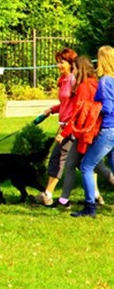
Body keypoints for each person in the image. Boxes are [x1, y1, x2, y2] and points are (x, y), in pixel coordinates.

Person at [56, 56, 114, 208]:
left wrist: (64, 133)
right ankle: (64, 200)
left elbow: (78, 113)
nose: (72, 71)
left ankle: (91, 202)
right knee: (71, 163)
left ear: (79, 69)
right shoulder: (92, 83)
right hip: (87, 132)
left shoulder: (84, 86)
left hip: (87, 133)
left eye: (74, 68)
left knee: (94, 167)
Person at [74, 45, 114, 218]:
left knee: (86, 166)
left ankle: (90, 207)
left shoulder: (105, 81)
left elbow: (107, 107)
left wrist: (89, 108)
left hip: (107, 129)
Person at [35, 48, 79, 206]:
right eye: (58, 62)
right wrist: (52, 110)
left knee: (57, 158)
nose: (58, 65)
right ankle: (94, 195)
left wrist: (66, 129)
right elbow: (65, 104)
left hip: (71, 128)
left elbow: (77, 108)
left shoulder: (74, 81)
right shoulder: (64, 80)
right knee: (86, 164)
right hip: (65, 125)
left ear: (71, 63)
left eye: (62, 62)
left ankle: (47, 195)